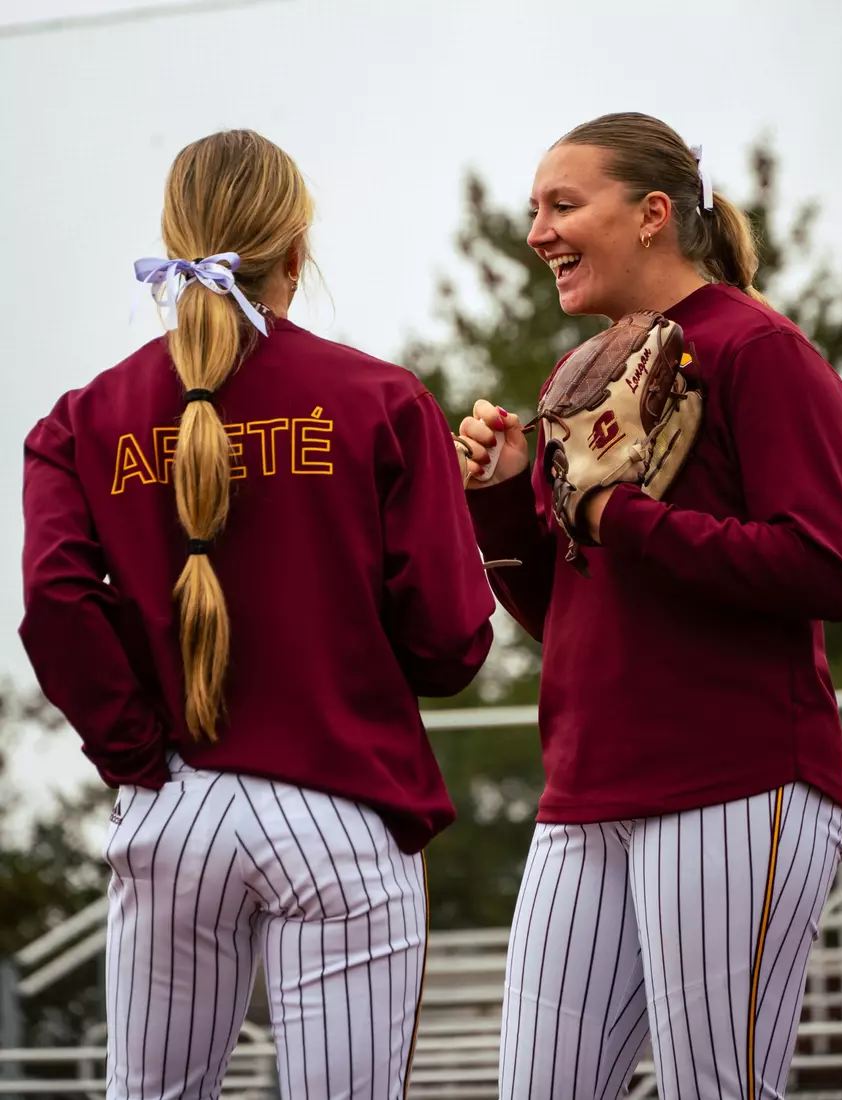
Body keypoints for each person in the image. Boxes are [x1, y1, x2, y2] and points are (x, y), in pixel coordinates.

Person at [20, 129, 495, 1100]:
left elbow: (55, 600)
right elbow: (450, 644)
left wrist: (141, 757)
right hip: (341, 809)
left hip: (171, 807)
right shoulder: (383, 399)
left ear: (174, 241)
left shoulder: (82, 418)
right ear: (295, 252)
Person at [457, 112, 842, 1100]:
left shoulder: (759, 348)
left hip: (736, 777)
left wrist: (622, 514)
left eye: (562, 205)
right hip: (585, 790)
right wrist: (503, 496)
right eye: (533, 210)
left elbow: (823, 568)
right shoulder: (580, 376)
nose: (538, 233)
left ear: (650, 214)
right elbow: (570, 614)